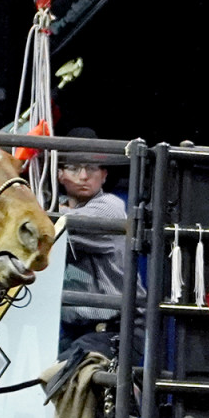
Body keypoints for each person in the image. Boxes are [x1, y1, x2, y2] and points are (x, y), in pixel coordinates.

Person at [55, 128, 128, 356]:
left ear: (104, 175)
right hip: (72, 332)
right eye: (74, 168)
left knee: (66, 376)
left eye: (92, 168)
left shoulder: (111, 206)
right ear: (60, 175)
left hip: (111, 332)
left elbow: (58, 226)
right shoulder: (55, 206)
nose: (84, 176)